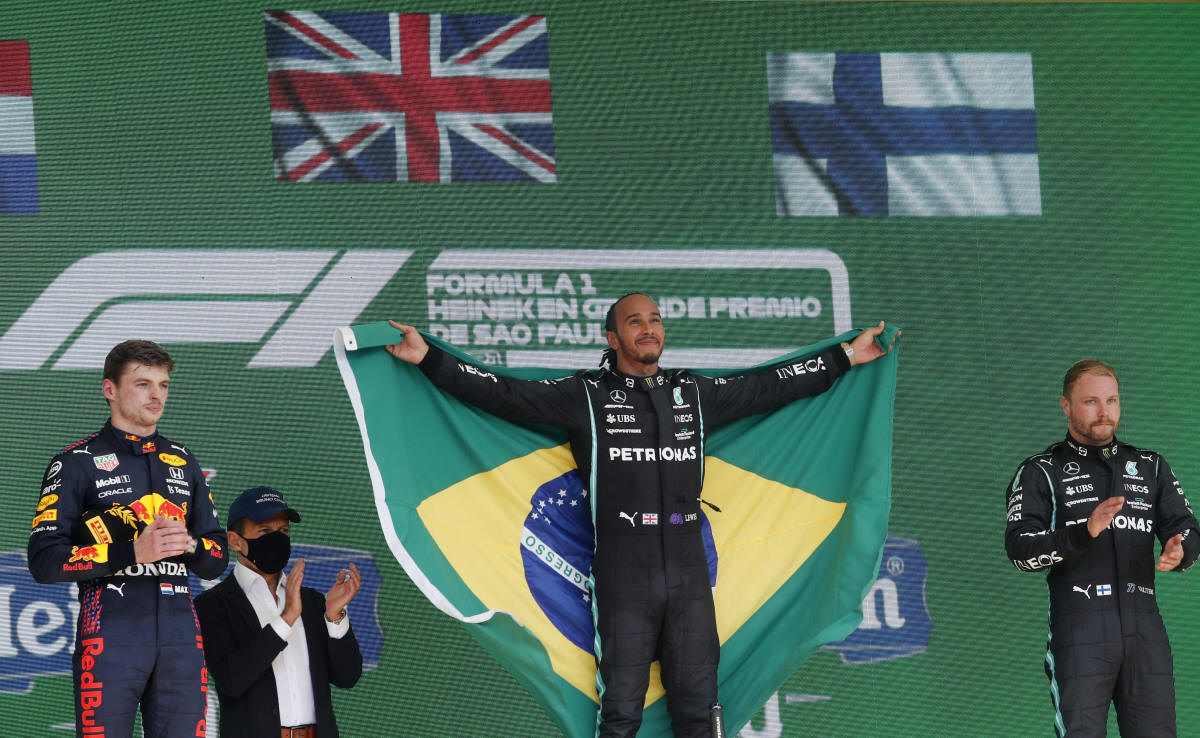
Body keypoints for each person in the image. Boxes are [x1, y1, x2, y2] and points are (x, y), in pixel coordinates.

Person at [386, 293, 892, 737]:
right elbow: (502, 392)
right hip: (624, 573)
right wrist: (428, 357)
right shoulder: (585, 396)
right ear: (613, 338)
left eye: (655, 320)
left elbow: (770, 385)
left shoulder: (693, 393)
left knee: (700, 712)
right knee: (621, 713)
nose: (649, 329)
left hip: (690, 573)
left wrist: (847, 356)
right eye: (635, 322)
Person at [27, 339, 229, 737]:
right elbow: (45, 560)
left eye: (163, 385)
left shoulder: (182, 459)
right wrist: (132, 551)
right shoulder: (75, 462)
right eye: (143, 384)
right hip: (110, 636)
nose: (156, 395)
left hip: (181, 638)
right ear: (110, 389)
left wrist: (189, 545)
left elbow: (217, 557)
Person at [1005, 359, 1199, 736]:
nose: (1104, 412)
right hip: (1079, 629)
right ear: (1066, 406)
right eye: (1091, 401)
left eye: (1111, 401)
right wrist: (1084, 532)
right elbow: (1019, 549)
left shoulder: (1150, 466)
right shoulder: (1041, 470)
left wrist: (1181, 550)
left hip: (1145, 629)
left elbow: (1187, 528)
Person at [194, 486, 363, 738]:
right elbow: (231, 681)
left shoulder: (313, 602)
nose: (277, 539)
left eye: (283, 531)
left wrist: (334, 617)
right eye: (264, 531)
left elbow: (347, 677)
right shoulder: (213, 604)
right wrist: (286, 619)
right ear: (235, 541)